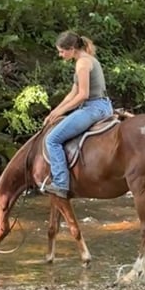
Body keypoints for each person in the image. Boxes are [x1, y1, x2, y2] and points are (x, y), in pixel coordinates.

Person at [42, 31, 113, 199]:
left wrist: (61, 112)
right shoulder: (86, 60)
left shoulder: (82, 63)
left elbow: (83, 95)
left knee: (52, 140)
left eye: (61, 51)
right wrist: (55, 111)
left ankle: (60, 183)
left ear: (72, 49)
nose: (60, 55)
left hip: (93, 108)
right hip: (102, 105)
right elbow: (72, 93)